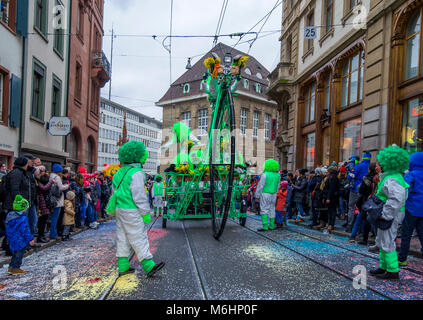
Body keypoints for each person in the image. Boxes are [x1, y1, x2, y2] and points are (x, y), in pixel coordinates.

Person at [106, 140, 165, 277]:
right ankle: (149, 266)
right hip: (132, 210)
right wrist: (145, 213)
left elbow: (114, 191)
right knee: (139, 237)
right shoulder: (137, 173)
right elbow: (139, 195)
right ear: (137, 155)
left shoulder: (119, 172)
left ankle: (123, 266)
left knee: (123, 237)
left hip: (120, 209)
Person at [369, 145, 410, 280]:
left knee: (387, 240)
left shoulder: (392, 179)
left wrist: (385, 214)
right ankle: (384, 266)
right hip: (389, 214)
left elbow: (396, 199)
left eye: (379, 164)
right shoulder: (390, 177)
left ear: (388, 163)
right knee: (382, 239)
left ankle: (392, 270)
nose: (376, 166)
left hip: (391, 215)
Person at [398, 152, 423, 267]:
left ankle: (402, 259)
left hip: (411, 208)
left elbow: (403, 189)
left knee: (406, 234)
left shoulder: (411, 174)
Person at [6, 195, 36, 275]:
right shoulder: (23, 218)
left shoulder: (10, 216)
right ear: (23, 209)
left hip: (12, 239)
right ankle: (16, 268)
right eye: (26, 208)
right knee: (19, 255)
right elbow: (25, 231)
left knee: (15, 254)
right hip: (20, 240)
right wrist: (30, 239)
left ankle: (11, 267)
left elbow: (8, 229)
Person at [349, 163, 378, 244]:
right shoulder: (377, 178)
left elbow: (361, 190)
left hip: (366, 201)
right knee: (370, 221)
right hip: (374, 202)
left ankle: (354, 236)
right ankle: (372, 237)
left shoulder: (367, 178)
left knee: (361, 219)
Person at [346, 151, 371, 232]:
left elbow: (350, 177)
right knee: (363, 210)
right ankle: (361, 229)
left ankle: (350, 226)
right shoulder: (371, 167)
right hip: (367, 192)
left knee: (351, 207)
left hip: (355, 190)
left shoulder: (358, 166)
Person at [255, 159, 280, 232]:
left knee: (264, 209)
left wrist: (257, 195)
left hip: (265, 193)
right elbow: (278, 186)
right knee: (272, 208)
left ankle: (265, 226)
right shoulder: (278, 175)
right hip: (274, 194)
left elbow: (260, 186)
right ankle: (271, 225)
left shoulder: (265, 174)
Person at [48, 164, 70, 241]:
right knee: (55, 218)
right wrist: (67, 186)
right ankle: (53, 234)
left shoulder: (51, 176)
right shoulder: (57, 177)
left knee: (52, 218)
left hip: (52, 199)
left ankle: (52, 233)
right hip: (57, 200)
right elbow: (61, 188)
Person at [36, 173, 54, 243]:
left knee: (44, 221)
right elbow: (44, 188)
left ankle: (41, 236)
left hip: (45, 203)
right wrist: (50, 182)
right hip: (42, 204)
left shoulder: (42, 182)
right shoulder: (40, 183)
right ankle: (40, 237)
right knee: (42, 221)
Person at [322, 166, 340, 231]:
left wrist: (328, 198)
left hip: (332, 197)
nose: (326, 173)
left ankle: (331, 225)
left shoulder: (333, 178)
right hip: (330, 196)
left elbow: (331, 189)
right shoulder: (330, 177)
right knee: (329, 211)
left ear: (329, 172)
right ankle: (329, 224)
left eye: (327, 171)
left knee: (332, 211)